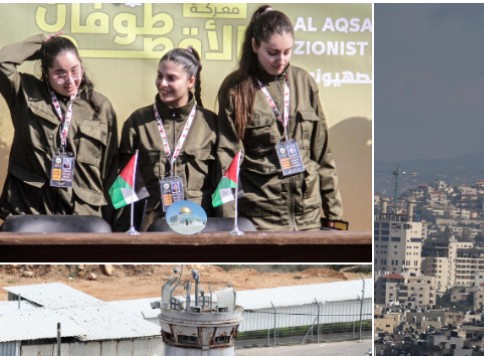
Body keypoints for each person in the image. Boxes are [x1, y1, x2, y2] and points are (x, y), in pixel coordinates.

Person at [214, 5, 343, 231]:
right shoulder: (235, 88)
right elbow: (227, 159)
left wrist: (334, 215)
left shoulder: (305, 82)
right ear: (254, 45)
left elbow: (322, 155)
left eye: (287, 52)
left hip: (307, 216)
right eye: (272, 53)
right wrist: (228, 221)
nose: (281, 60)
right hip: (259, 217)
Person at [0, 32, 118, 222]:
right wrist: (41, 43)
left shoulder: (100, 106)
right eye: (60, 74)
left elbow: (111, 170)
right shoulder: (25, 92)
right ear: (46, 73)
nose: (70, 81)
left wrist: (113, 223)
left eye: (75, 70)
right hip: (30, 210)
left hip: (82, 216)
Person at [117, 47, 218, 230]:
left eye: (171, 78)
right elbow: (124, 187)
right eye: (159, 76)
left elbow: (222, 187)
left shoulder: (211, 125)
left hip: (198, 230)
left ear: (190, 82)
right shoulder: (138, 122)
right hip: (150, 231)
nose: (162, 83)